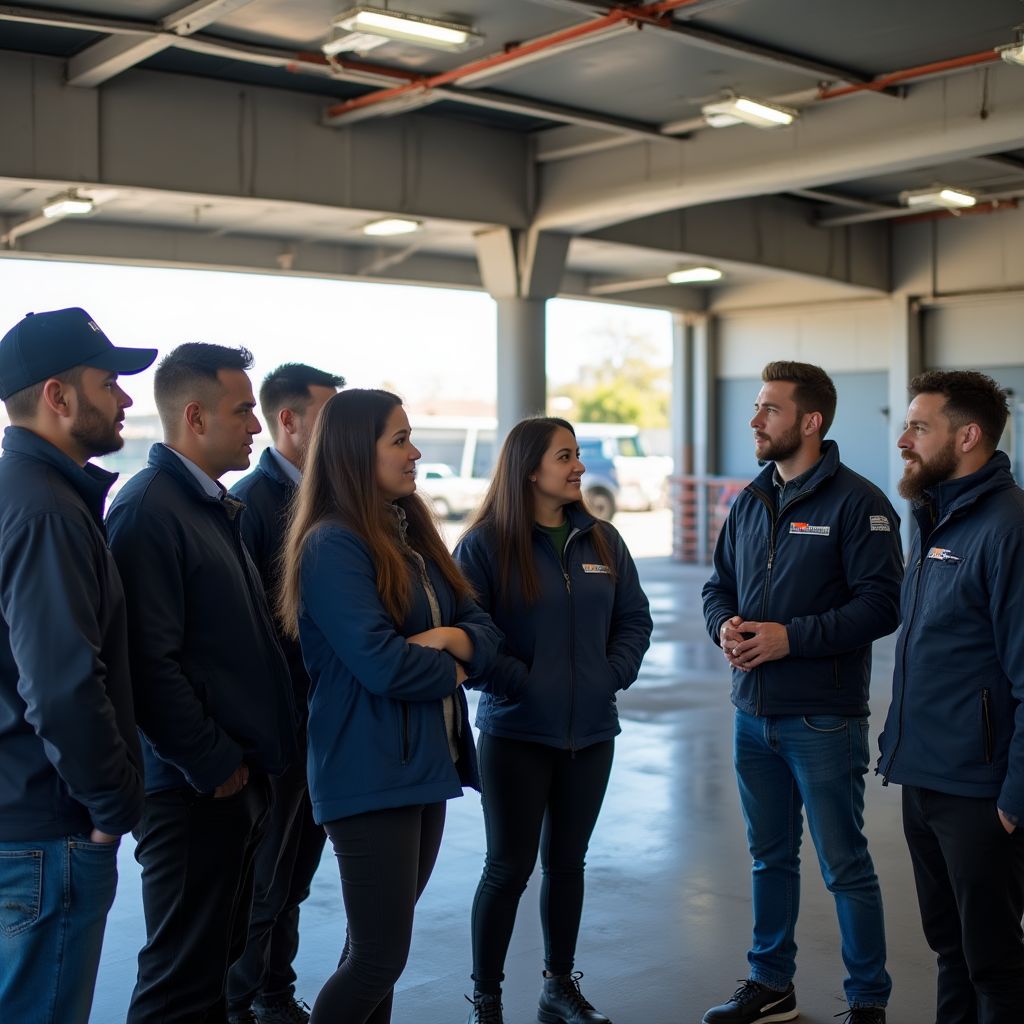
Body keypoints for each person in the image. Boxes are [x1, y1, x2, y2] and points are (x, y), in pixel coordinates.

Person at [277, 388, 501, 1024]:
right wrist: (453, 664)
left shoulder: (409, 530)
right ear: (355, 451)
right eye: (399, 439)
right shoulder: (331, 545)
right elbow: (382, 663)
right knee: (378, 958)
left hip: (423, 764)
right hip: (367, 770)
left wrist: (455, 643)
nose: (415, 451)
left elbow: (482, 626)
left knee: (376, 954)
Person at [701, 361, 903, 1024]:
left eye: (770, 409)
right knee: (769, 858)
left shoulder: (859, 504)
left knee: (845, 864)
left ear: (810, 421)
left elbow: (880, 605)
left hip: (821, 718)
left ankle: (867, 1001)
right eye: (757, 408)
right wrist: (723, 625)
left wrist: (793, 638)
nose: (755, 421)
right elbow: (716, 587)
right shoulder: (750, 500)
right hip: (752, 714)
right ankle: (771, 985)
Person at [106, 342, 298, 1024]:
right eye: (243, 410)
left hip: (230, 786)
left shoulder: (207, 505)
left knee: (212, 974)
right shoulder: (150, 511)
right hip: (190, 794)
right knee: (178, 986)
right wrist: (213, 762)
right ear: (194, 416)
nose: (256, 424)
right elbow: (147, 663)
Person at [454, 416, 652, 1024]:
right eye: (565, 456)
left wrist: (609, 673)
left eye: (576, 455)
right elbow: (471, 636)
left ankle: (557, 986)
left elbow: (634, 619)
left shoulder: (602, 540)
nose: (578, 467)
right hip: (516, 734)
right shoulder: (485, 545)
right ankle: (486, 999)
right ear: (530, 469)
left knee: (568, 863)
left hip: (592, 734)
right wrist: (522, 682)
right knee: (508, 867)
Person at [0, 307, 154, 1024]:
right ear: (59, 396)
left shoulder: (22, 494)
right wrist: (112, 806)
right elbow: (61, 687)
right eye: (110, 381)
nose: (126, 397)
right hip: (48, 828)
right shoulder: (49, 511)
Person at [878, 370, 1024, 1024]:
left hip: (981, 790)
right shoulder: (933, 515)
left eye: (920, 426)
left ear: (967, 436)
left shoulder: (1008, 527)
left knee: (995, 964)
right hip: (925, 776)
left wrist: (1014, 800)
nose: (904, 438)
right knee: (949, 950)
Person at [227, 363, 345, 1024]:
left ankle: (275, 994)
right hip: (282, 735)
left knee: (296, 877)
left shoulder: (327, 499)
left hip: (321, 729)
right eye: (326, 418)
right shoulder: (254, 503)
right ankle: (241, 1004)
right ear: (289, 421)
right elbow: (256, 637)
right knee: (265, 885)